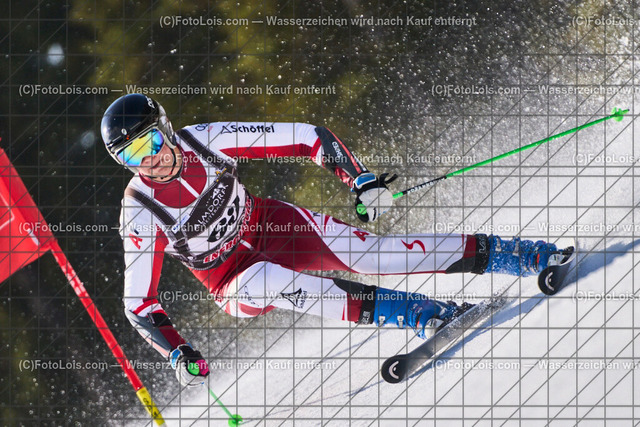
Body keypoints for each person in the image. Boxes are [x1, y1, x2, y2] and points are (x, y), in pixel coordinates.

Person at [101, 94, 566, 387]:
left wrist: (359, 179)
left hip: (272, 226)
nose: (149, 161)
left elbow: (308, 137)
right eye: (132, 156)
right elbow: (139, 303)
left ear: (165, 129)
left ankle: (521, 254)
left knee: (374, 254)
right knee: (270, 282)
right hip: (232, 281)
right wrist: (178, 352)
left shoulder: (207, 139)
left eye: (151, 143)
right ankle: (423, 313)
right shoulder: (139, 209)